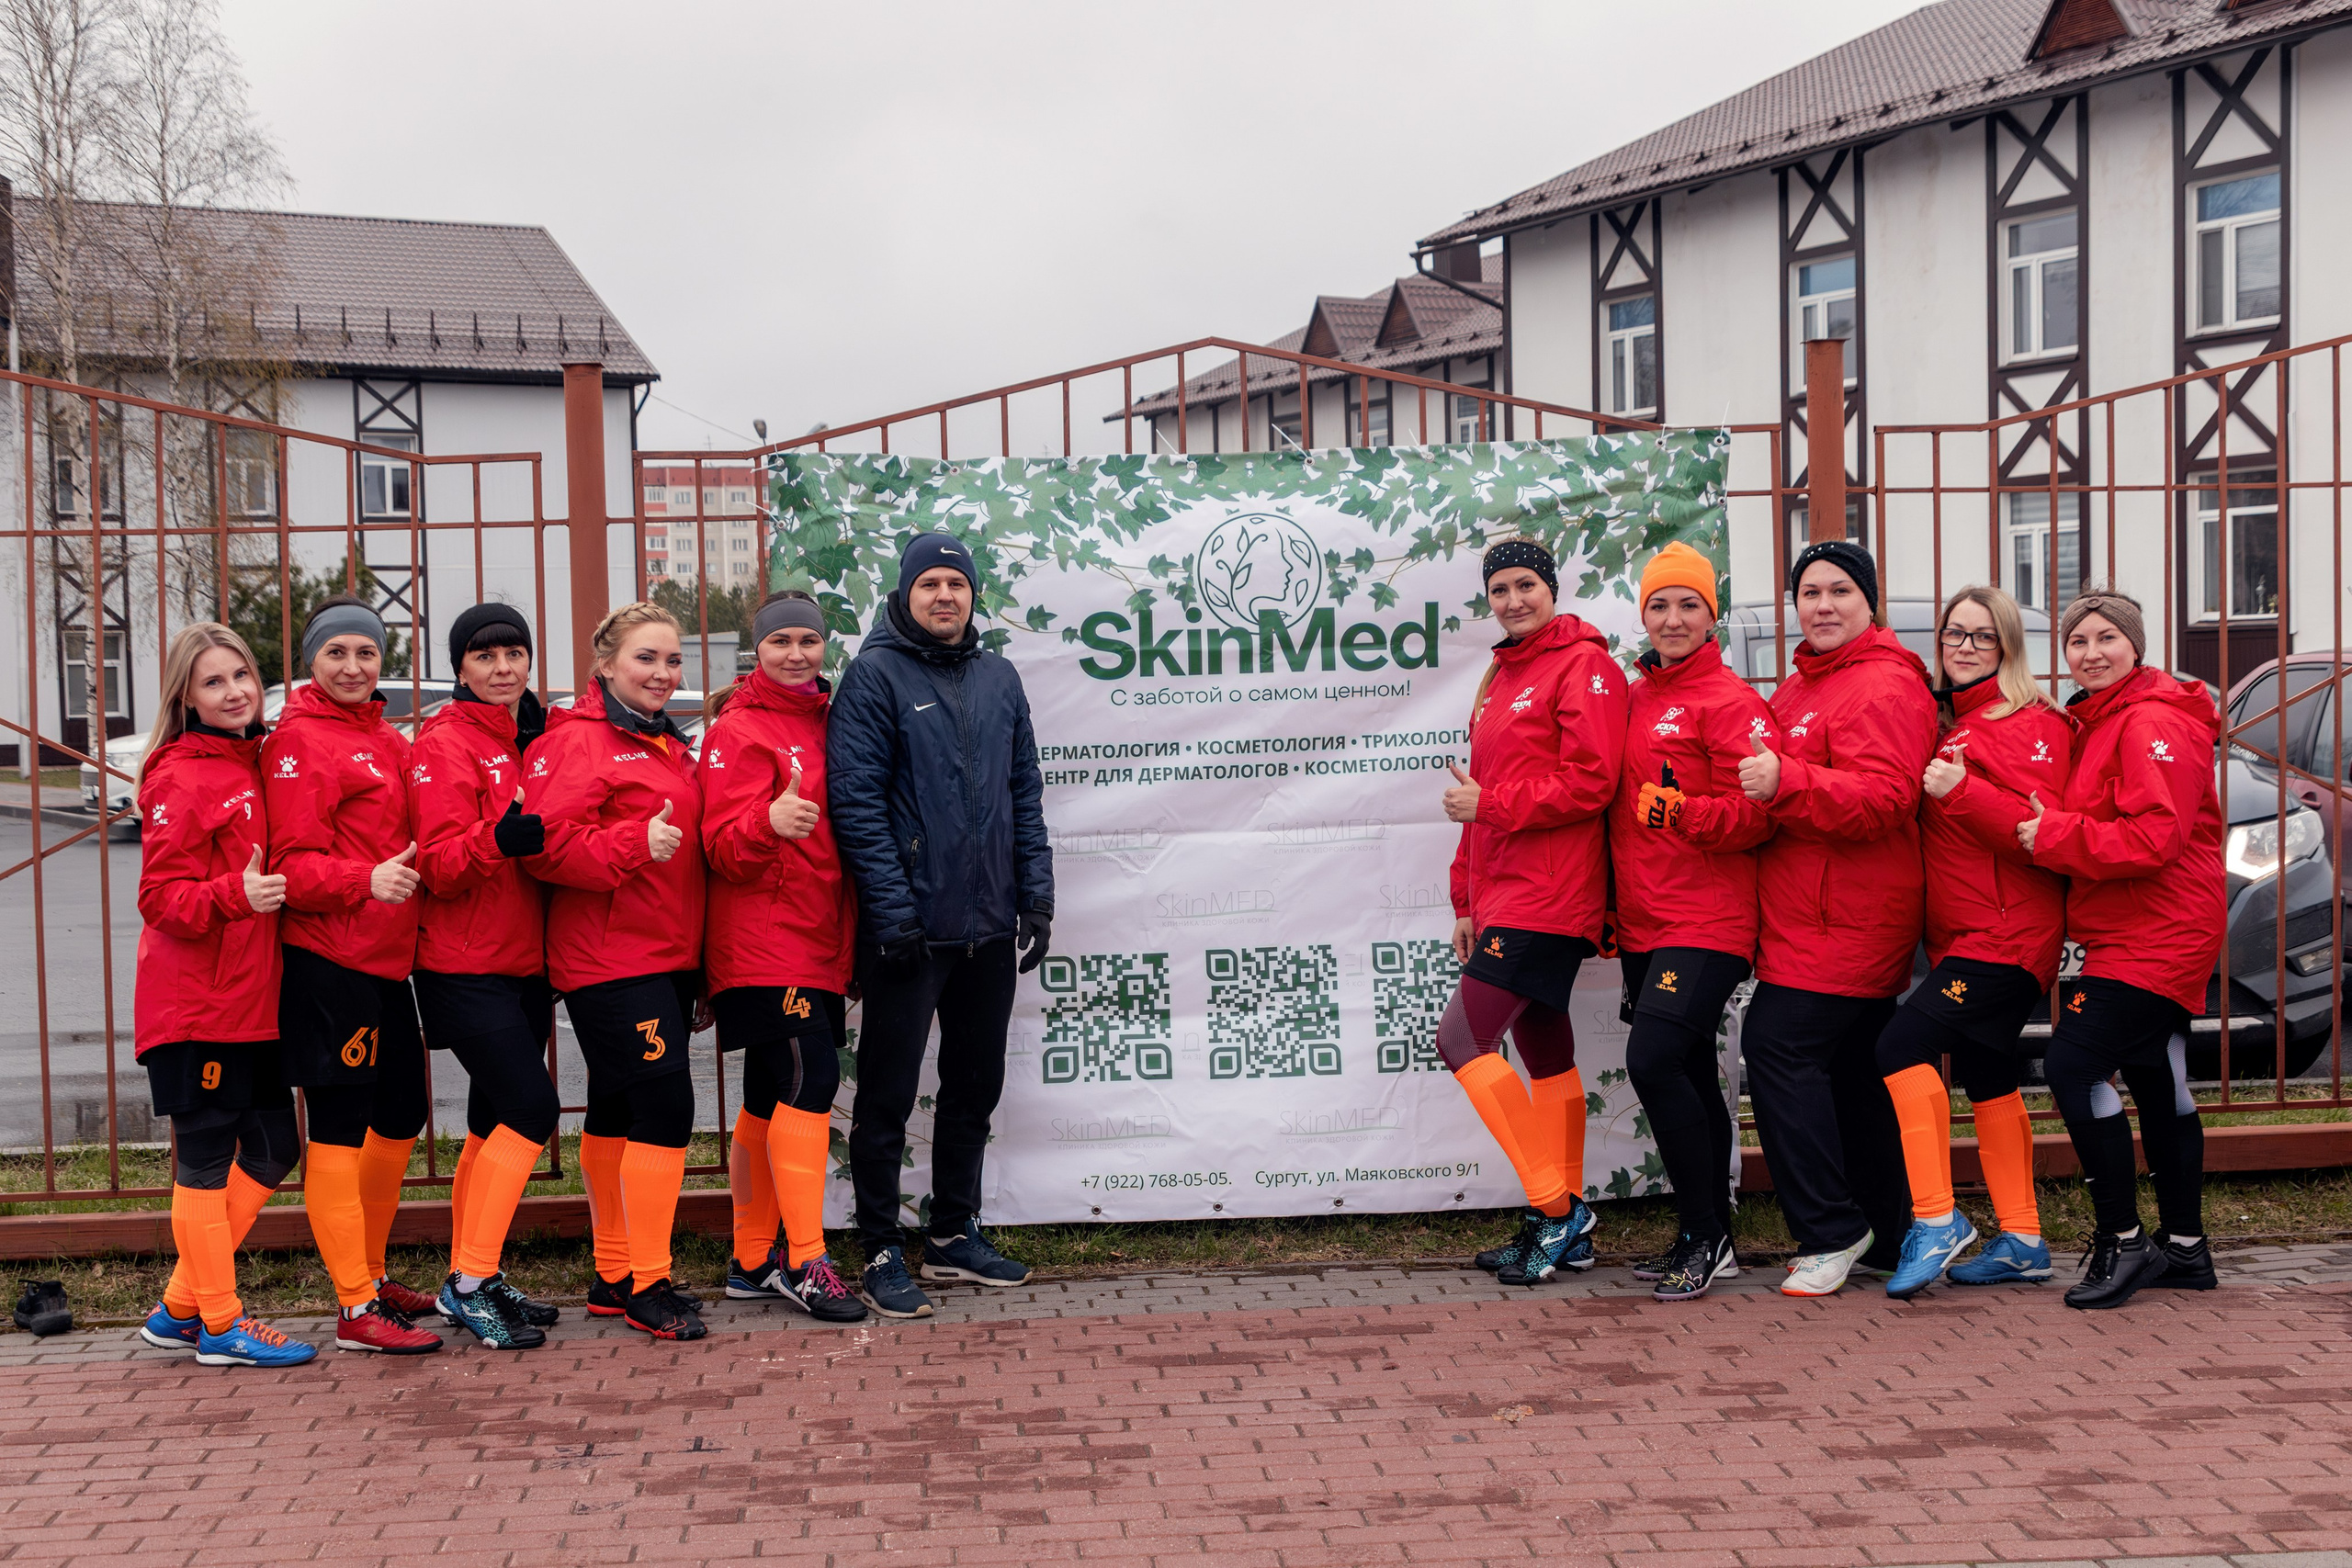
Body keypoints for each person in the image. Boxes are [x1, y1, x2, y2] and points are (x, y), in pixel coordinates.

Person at [828, 532, 1053, 1319]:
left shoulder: (999, 676)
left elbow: (1024, 791)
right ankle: (882, 1246)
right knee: (887, 1095)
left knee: (974, 1085)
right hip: (909, 932)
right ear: (906, 593)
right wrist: (892, 914)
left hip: (988, 926)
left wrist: (1038, 898)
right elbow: (855, 804)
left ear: (972, 594)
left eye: (957, 582)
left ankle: (954, 1233)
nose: (945, 596)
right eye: (930, 583)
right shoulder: (874, 676)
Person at [1736, 540, 1937, 1297]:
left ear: (1870, 602)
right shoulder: (1800, 688)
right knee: (1852, 1074)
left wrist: (1787, 778)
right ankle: (1885, 1231)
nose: (1822, 605)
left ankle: (1829, 1229)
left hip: (1848, 915)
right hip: (1806, 915)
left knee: (1778, 1046)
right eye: (1809, 591)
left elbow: (1887, 800)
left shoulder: (1884, 684)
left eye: (1840, 591)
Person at [2020, 588, 2224, 1310]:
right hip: (2129, 923)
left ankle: (2124, 1239)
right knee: (2158, 1074)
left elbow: (2154, 837)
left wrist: (2054, 835)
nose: (2092, 652)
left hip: (2159, 927)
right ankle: (2186, 1249)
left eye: (2108, 638)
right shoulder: (2101, 717)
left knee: (2074, 1063)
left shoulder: (2149, 722)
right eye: (2078, 641)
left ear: (2136, 645)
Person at [1875, 586, 2073, 1297]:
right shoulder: (1950, 721)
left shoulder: (2028, 720)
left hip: (2007, 934)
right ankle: (2022, 1237)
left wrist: (1961, 792)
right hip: (1966, 935)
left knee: (1899, 1046)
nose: (1963, 646)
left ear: (2008, 647)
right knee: (1988, 1073)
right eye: (1954, 633)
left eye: (1982, 637)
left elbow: (2042, 834)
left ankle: (1937, 1218)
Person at [131, 624, 315, 1368]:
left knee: (275, 1147)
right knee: (204, 1161)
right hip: (195, 1006)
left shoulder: (253, 758)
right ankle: (220, 1322)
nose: (235, 690)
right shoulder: (180, 772)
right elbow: (160, 896)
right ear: (186, 696)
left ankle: (180, 1306)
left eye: (243, 674)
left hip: (251, 1002)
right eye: (214, 681)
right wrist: (233, 895)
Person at [1442, 537, 1623, 1287]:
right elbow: (1476, 797)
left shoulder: (1586, 666)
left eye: (1527, 584)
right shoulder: (1503, 672)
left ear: (1552, 587)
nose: (1513, 599)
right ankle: (1566, 1222)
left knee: (1461, 1039)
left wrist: (1493, 805)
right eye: (1500, 589)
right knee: (1545, 1055)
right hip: (1507, 893)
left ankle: (1555, 1209)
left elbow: (1594, 781)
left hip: (1552, 895)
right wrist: (1465, 896)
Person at [525, 601, 708, 1340]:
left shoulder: (666, 742)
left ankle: (613, 1273)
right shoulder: (577, 742)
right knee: (667, 1112)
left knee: (620, 1112)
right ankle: (648, 1282)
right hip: (609, 957)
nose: (663, 673)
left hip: (664, 954)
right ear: (604, 665)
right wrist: (634, 843)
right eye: (646, 658)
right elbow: (541, 847)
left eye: (672, 660)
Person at [264, 597, 443, 1354]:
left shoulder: (383, 734)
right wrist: (363, 881)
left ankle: (370, 1271)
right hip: (329, 958)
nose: (352, 666)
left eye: (366, 654)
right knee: (337, 1130)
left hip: (385, 958)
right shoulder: (299, 741)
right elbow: (289, 866)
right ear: (310, 661)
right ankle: (353, 1306)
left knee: (401, 1111)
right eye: (336, 652)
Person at [1610, 542, 1775, 1302]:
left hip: (1707, 920)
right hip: (1645, 920)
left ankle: (1706, 1235)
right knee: (1686, 1072)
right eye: (1658, 604)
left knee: (1653, 1061)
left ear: (1712, 615)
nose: (1672, 618)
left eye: (1688, 604)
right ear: (1642, 613)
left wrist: (1685, 813)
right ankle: (1710, 1232)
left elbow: (1760, 816)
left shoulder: (1731, 700)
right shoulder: (1635, 695)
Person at [701, 591, 865, 1323]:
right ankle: (805, 1259)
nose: (797, 653)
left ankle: (747, 1259)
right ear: (756, 651)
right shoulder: (738, 730)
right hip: (765, 938)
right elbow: (718, 847)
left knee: (770, 1092)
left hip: (817, 934)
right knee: (812, 1076)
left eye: (809, 639)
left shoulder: (830, 719)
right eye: (781, 641)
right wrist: (766, 822)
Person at [409, 603, 562, 1348]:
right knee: (532, 1110)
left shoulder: (535, 733)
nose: (503, 667)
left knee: (489, 1120)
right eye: (484, 655)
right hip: (462, 963)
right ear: (460, 667)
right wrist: (495, 838)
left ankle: (478, 1273)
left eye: (515, 653)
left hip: (526, 962)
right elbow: (436, 863)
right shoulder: (445, 742)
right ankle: (468, 1282)